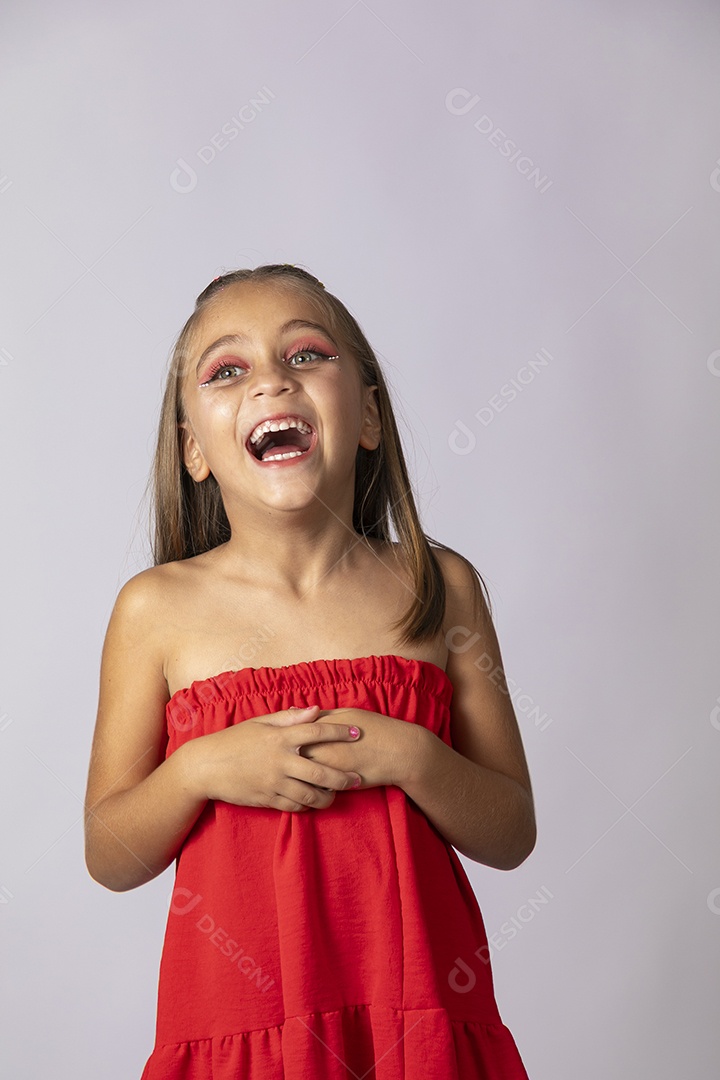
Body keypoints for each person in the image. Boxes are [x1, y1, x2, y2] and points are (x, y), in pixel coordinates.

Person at [83, 263, 536, 1079]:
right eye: (228, 370)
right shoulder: (156, 610)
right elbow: (110, 853)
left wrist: (412, 756)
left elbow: (511, 829)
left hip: (418, 1028)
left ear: (366, 414)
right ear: (193, 448)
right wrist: (199, 770)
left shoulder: (441, 588)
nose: (270, 384)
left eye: (305, 356)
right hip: (239, 1030)